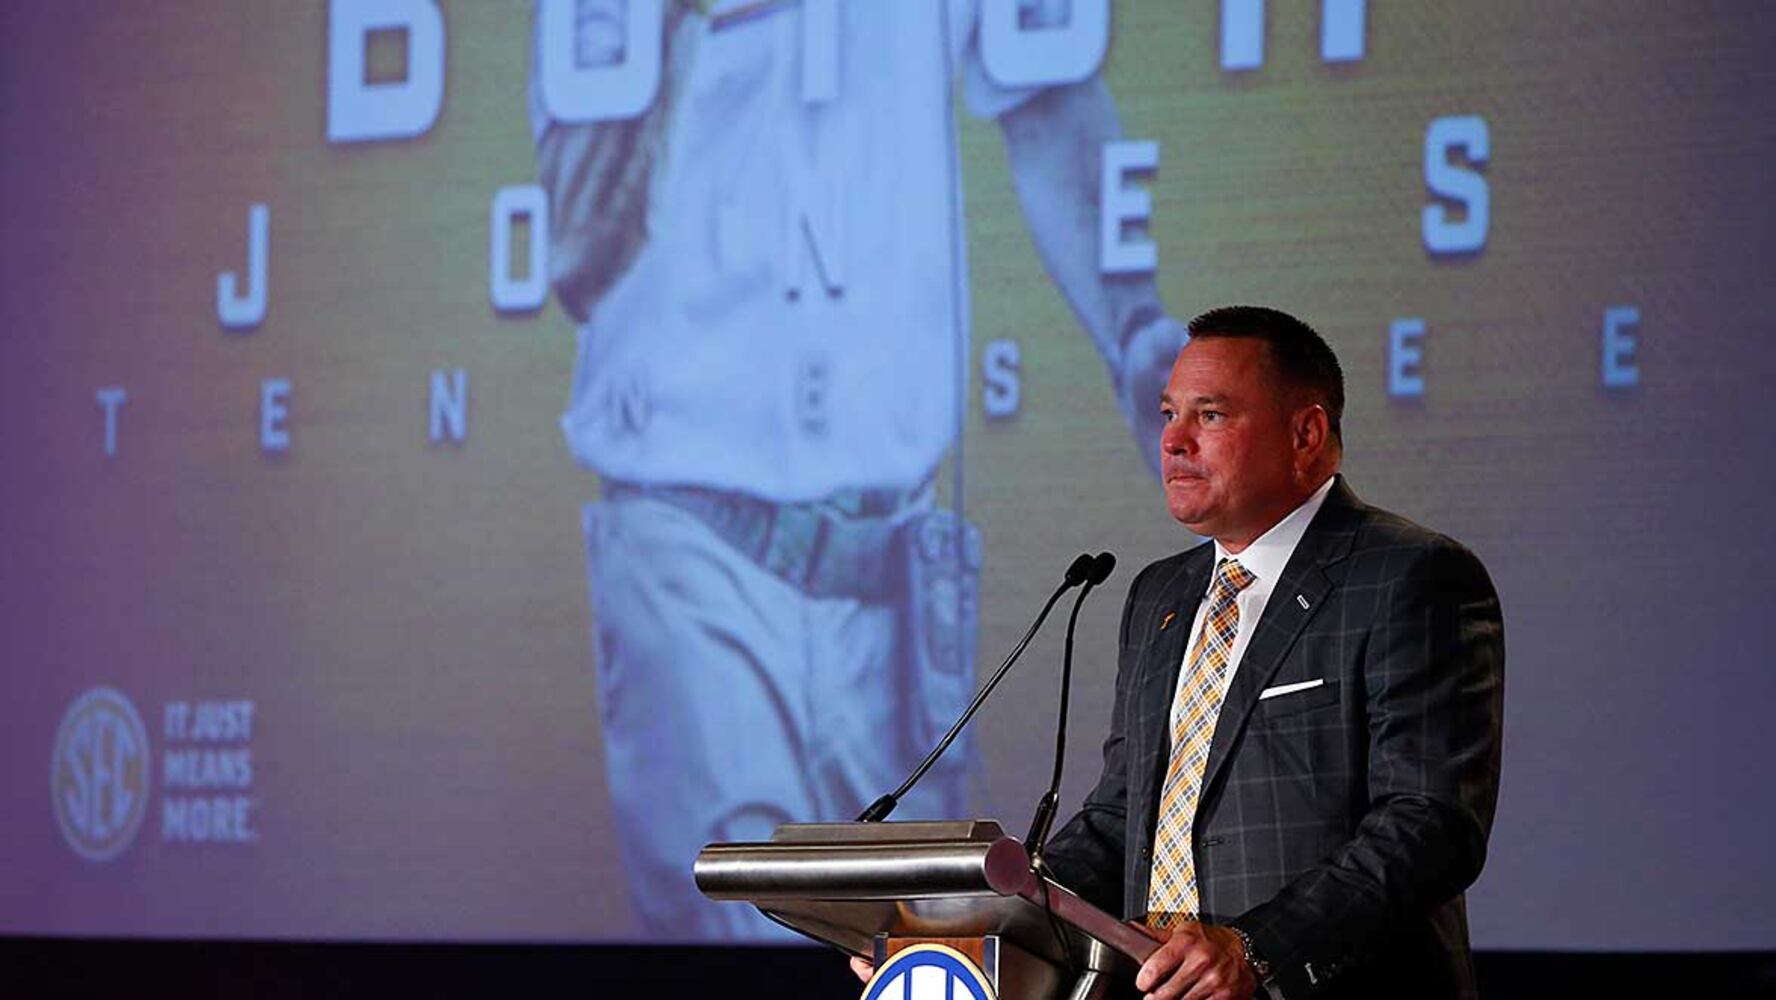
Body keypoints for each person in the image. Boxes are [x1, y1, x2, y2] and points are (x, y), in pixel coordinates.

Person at [529, 1, 1186, 939]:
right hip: (692, 545)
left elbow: (1043, 94)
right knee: (759, 936)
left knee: (936, 949)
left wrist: (1130, 325)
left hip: (898, 567)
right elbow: (579, 251)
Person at [1036, 306, 1506, 999]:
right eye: (1169, 414)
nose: (1173, 441)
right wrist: (978, 913)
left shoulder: (1408, 574)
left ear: (1306, 433)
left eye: (1211, 416)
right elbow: (1118, 820)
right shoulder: (1158, 595)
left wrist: (1257, 949)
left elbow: (1429, 823)